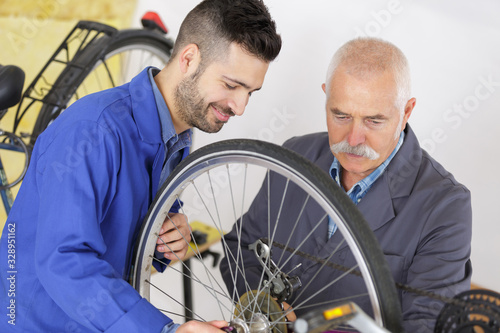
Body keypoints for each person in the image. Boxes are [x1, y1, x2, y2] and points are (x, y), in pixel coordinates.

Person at [0, 0, 281, 332]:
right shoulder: (93, 131)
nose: (240, 106)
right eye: (232, 85)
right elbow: (64, 261)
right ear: (189, 59)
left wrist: (165, 240)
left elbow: (127, 236)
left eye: (251, 92)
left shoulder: (178, 134)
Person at [220, 37, 472, 332]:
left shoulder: (444, 206)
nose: (353, 140)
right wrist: (265, 308)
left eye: (374, 121)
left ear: (406, 112)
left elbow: (428, 325)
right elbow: (240, 248)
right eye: (341, 115)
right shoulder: (293, 156)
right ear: (325, 97)